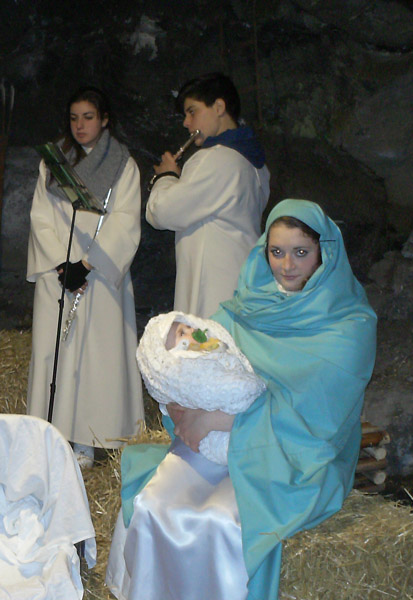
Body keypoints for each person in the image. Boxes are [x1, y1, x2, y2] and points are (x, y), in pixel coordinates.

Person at [105, 199, 377, 600]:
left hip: (295, 454)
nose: (287, 265)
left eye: (300, 252)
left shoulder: (349, 325)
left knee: (222, 522)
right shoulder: (246, 304)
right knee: (158, 501)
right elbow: (200, 360)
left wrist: (214, 417)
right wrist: (184, 408)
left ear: (325, 254)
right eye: (277, 251)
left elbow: (315, 414)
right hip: (225, 438)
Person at [26, 86, 144, 468]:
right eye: (74, 118)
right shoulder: (53, 161)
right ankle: (53, 435)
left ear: (105, 119)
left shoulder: (122, 165)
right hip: (59, 274)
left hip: (98, 275)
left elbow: (125, 220)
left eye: (88, 117)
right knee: (55, 354)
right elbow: (40, 216)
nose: (80, 125)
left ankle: (89, 440)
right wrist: (63, 263)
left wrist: (87, 264)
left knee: (96, 359)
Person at [146, 73, 270, 317]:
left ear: (219, 107)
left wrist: (166, 177)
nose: (186, 123)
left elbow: (162, 212)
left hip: (212, 287)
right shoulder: (257, 166)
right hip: (241, 281)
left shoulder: (214, 158)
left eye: (192, 112)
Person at [132, 310, 265, 467]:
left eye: (189, 326)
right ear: (170, 356)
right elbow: (243, 389)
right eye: (182, 333)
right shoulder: (190, 371)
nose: (192, 331)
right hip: (231, 443)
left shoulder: (208, 355)